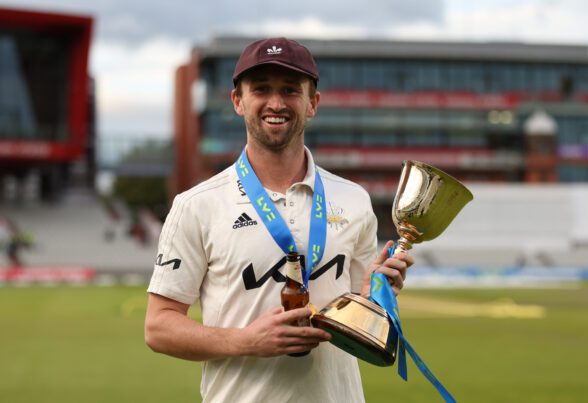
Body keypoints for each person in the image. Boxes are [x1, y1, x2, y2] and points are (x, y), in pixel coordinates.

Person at [144, 37, 414, 403]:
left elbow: (361, 320)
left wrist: (373, 294)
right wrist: (246, 341)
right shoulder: (197, 205)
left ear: (312, 103)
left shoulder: (353, 199)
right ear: (238, 101)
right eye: (261, 89)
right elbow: (159, 327)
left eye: (290, 90)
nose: (275, 103)